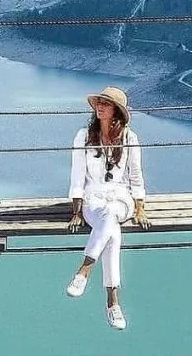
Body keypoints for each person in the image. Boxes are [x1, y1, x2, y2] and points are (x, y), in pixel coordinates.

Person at [66, 86, 150, 330]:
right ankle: (113, 303)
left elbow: (135, 175)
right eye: (99, 103)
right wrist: (76, 210)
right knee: (111, 230)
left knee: (111, 214)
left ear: (117, 112)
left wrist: (140, 207)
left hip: (121, 199)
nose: (100, 107)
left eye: (106, 103)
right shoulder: (83, 136)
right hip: (94, 199)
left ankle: (84, 270)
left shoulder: (129, 138)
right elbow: (77, 175)